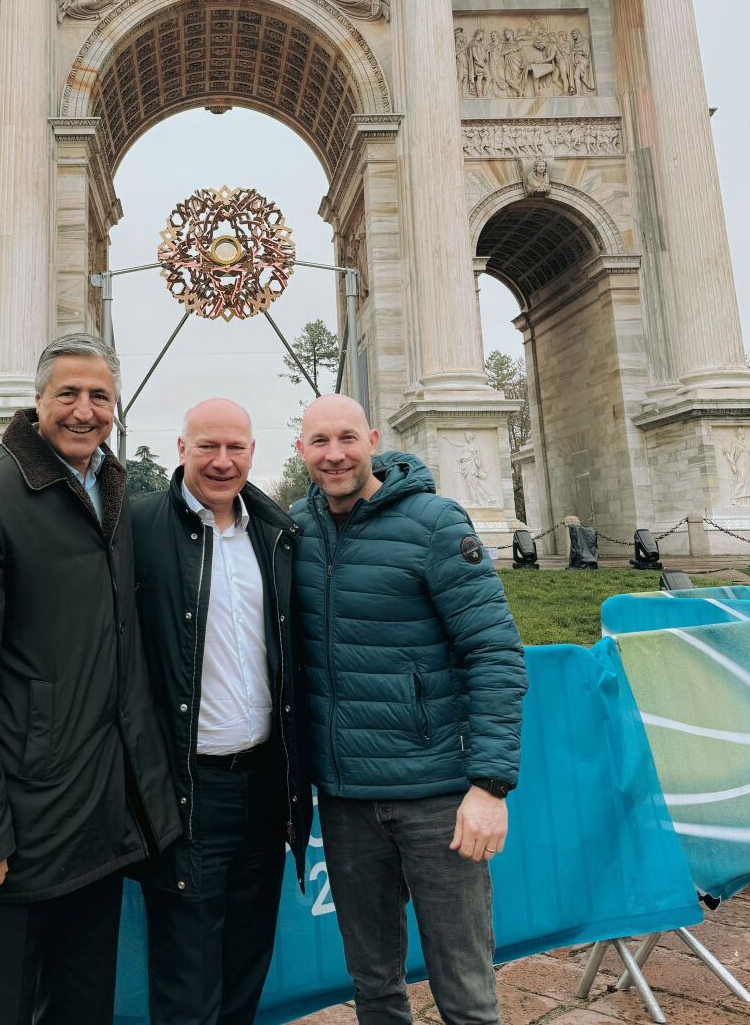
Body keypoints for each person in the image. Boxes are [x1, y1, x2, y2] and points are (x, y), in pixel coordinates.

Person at [0, 333, 181, 1025]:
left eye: (99, 396)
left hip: (93, 820)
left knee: (81, 1005)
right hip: (11, 824)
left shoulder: (109, 490)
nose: (84, 410)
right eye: (68, 393)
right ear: (38, 402)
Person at [291, 395, 528, 1025]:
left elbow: (496, 652)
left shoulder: (435, 522)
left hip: (438, 798)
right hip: (345, 801)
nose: (334, 454)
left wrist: (490, 785)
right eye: (319, 441)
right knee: (373, 987)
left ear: (372, 439)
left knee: (467, 994)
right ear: (301, 450)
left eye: (346, 438)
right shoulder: (293, 532)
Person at [131, 398, 310, 1025]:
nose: (222, 461)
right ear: (181, 450)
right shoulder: (138, 526)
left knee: (246, 956)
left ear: (253, 453)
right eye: (208, 446)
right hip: (189, 786)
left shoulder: (277, 533)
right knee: (187, 967)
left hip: (265, 783)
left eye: (236, 447)